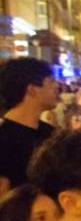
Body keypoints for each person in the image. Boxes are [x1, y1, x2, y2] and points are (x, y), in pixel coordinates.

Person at [0, 57, 59, 196]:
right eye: (51, 82)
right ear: (32, 89)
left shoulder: (50, 133)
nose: (57, 87)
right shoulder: (5, 139)